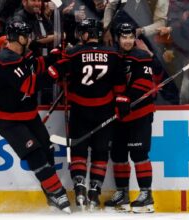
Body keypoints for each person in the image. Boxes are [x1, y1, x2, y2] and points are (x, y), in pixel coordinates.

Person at [0, 19, 71, 213]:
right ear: (17, 38)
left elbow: (36, 65)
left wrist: (54, 57)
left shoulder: (22, 55)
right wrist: (55, 70)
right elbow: (30, 85)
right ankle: (58, 193)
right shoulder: (6, 59)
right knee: (35, 155)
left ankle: (51, 195)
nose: (30, 38)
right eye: (26, 35)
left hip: (27, 114)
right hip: (8, 119)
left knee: (47, 150)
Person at [48, 18, 127, 211]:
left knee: (78, 150)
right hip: (104, 111)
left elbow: (56, 74)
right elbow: (120, 86)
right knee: (100, 152)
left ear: (85, 34)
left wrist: (57, 58)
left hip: (80, 110)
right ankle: (94, 191)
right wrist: (121, 103)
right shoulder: (114, 54)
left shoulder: (74, 52)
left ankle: (80, 186)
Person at [104, 22, 155, 213]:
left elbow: (143, 83)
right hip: (119, 114)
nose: (127, 41)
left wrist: (126, 98)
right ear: (118, 38)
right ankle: (122, 193)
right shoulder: (114, 56)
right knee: (118, 154)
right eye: (124, 37)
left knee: (139, 153)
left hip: (140, 113)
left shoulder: (142, 56)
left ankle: (146, 193)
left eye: (130, 37)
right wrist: (118, 101)